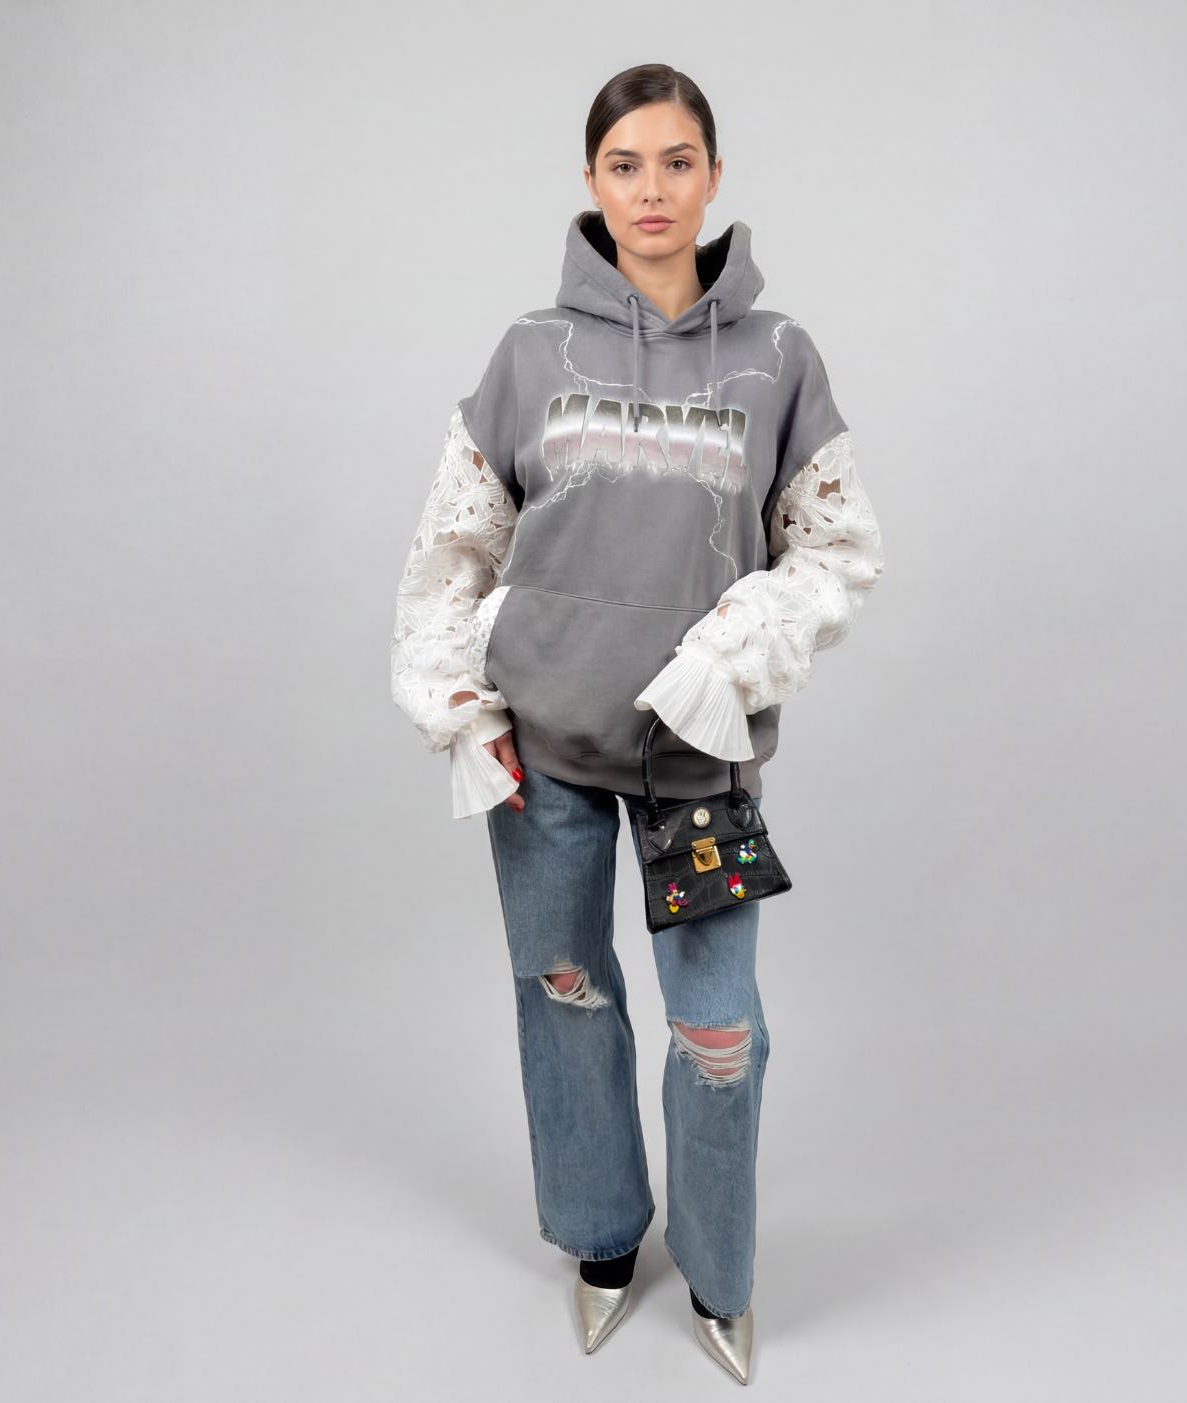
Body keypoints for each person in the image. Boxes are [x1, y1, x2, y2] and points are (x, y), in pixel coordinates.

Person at [390, 62, 884, 1385]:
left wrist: (732, 652)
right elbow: (453, 550)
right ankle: (603, 1241)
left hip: (697, 768)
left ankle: (720, 1277)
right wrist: (460, 708)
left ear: (713, 177)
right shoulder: (527, 355)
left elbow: (835, 551)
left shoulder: (779, 358)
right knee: (565, 998)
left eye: (676, 162)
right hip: (542, 753)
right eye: (625, 165)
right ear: (592, 183)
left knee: (720, 1038)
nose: (651, 190)